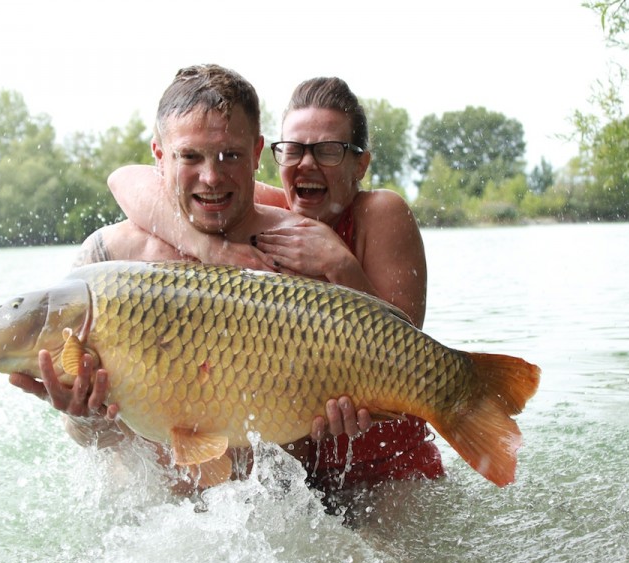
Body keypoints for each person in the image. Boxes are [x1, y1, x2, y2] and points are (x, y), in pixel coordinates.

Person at [9, 65, 369, 491]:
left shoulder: (301, 249)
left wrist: (344, 416)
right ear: (160, 156)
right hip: (154, 521)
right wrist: (79, 412)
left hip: (275, 519)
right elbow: (92, 441)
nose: (212, 177)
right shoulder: (106, 261)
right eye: (190, 156)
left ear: (256, 153)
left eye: (230, 155)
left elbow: (315, 436)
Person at [109, 76, 444, 502]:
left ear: (360, 165)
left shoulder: (380, 213)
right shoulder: (274, 211)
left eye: (327, 151)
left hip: (389, 466)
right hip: (306, 477)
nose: (307, 165)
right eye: (294, 150)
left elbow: (403, 349)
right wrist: (208, 248)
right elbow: (127, 179)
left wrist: (339, 263)